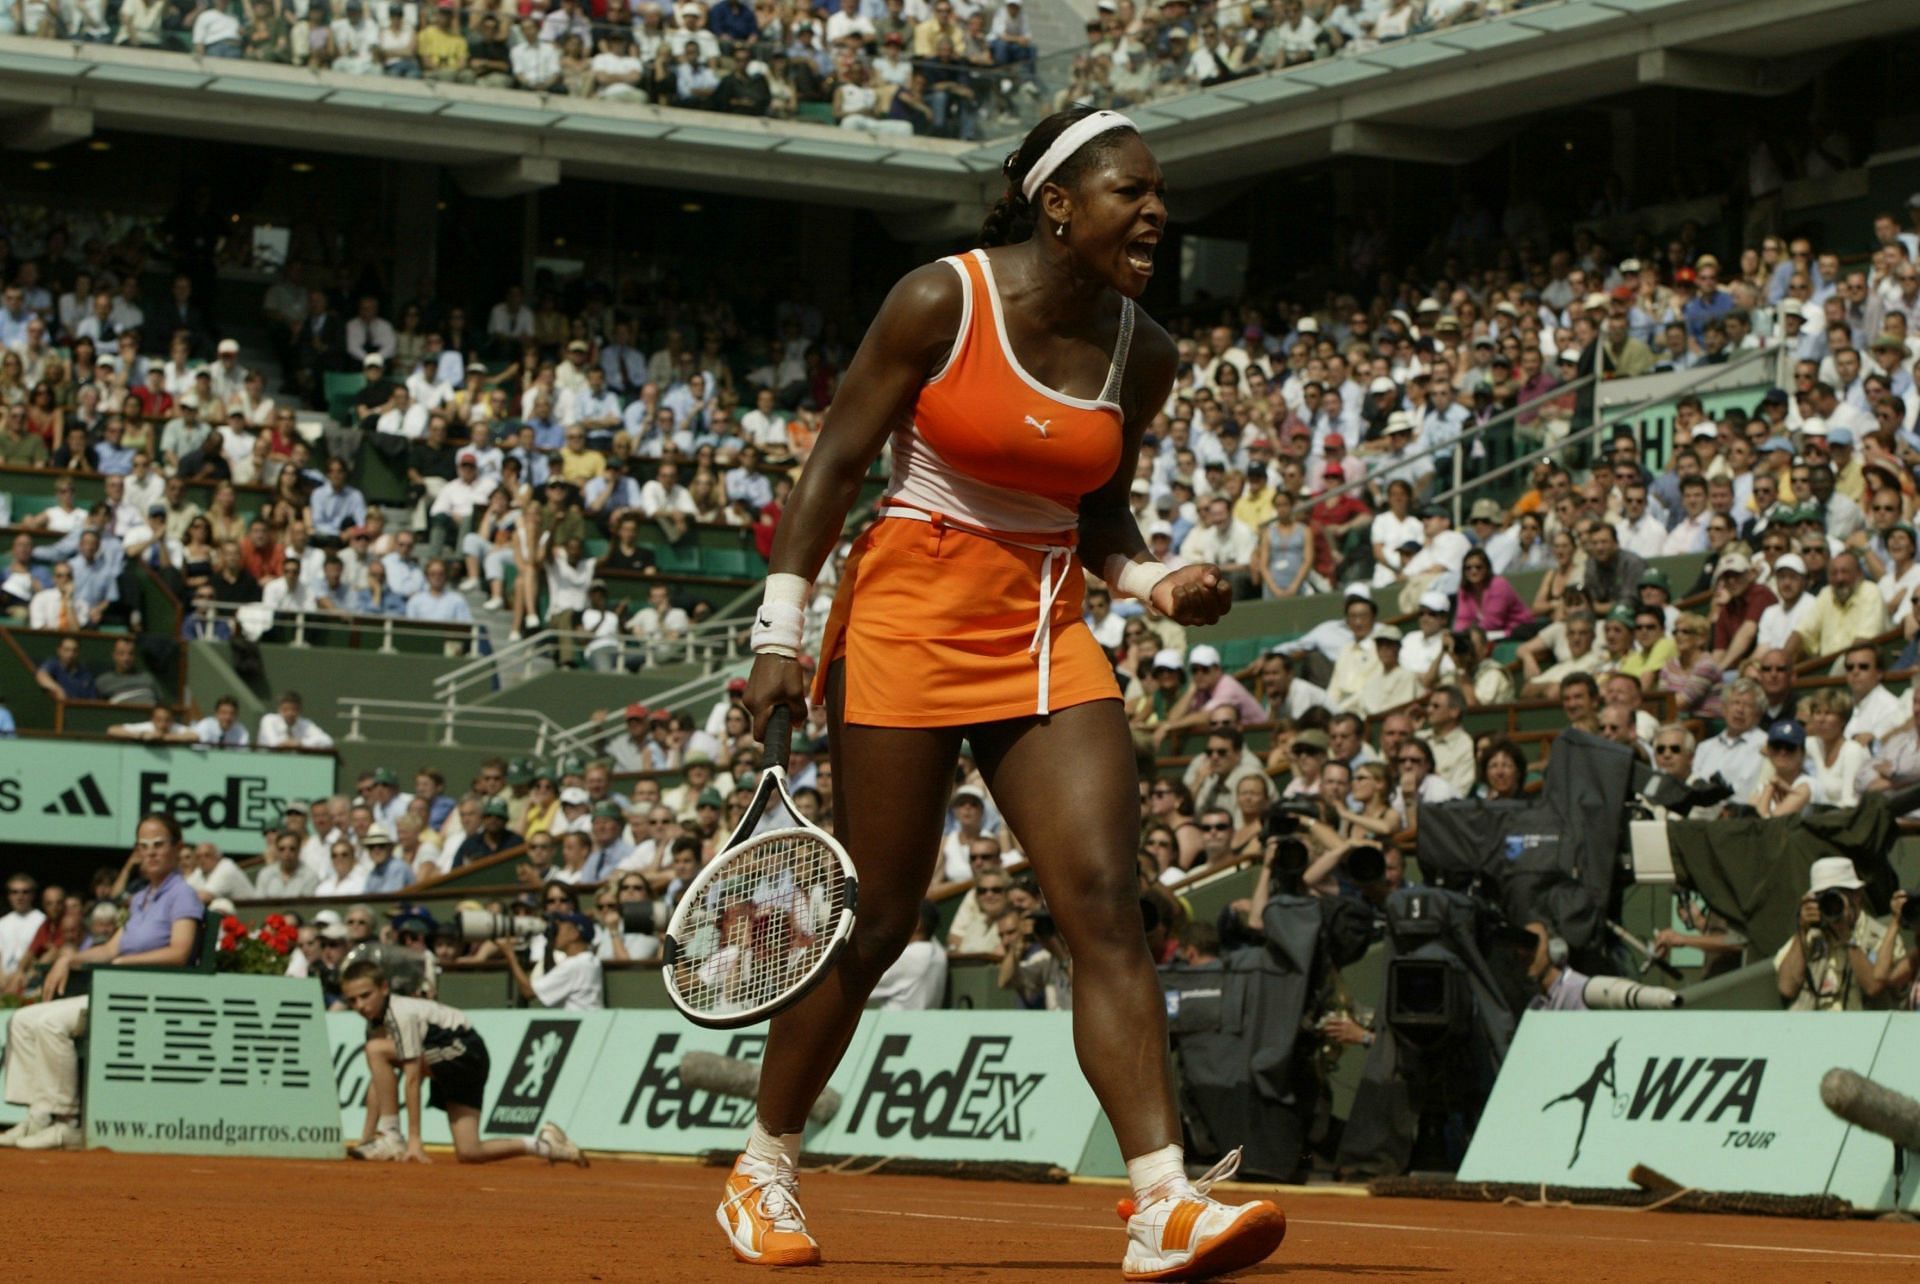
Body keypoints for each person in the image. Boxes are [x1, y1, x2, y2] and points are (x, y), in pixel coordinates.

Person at [729, 109, 1283, 1277]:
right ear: (1059, 205)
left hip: (1041, 630)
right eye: (1132, 192)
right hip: (903, 619)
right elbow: (834, 462)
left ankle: (1161, 1204)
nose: (1156, 213)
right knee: (879, 920)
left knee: (1103, 902)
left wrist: (1154, 577)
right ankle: (763, 1165)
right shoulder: (941, 300)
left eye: (1160, 195)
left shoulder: (1148, 351)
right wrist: (783, 624)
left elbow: (1098, 509)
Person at [0, 815, 202, 1152]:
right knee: (22, 1019)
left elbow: (180, 952)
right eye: (144, 846)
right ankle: (38, 1114)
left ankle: (67, 1122)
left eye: (159, 845)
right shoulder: (141, 898)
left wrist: (124, 964)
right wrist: (68, 958)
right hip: (117, 989)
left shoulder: (183, 894)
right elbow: (110, 948)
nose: (151, 853)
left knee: (50, 1023)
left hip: (146, 995)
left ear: (177, 848)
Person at [338, 958, 588, 1164]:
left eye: (365, 995)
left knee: (376, 1051)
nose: (359, 1005)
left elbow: (412, 1078)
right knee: (469, 1151)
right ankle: (545, 1145)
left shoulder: (400, 1013)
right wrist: (366, 1139)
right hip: (457, 1061)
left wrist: (413, 1140)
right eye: (352, 1000)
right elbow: (380, 1083)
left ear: (383, 987)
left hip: (464, 1051)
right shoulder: (375, 1024)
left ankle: (392, 1135)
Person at [1774, 857, 1904, 1011]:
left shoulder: (1882, 938)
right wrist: (1802, 931)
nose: (1831, 905)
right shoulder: (1809, 938)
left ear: (1857, 896)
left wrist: (1846, 936)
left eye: (1836, 897)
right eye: (1824, 898)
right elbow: (1786, 988)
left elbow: (1873, 987)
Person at [499, 911, 604, 1010]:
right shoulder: (591, 961)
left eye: (560, 928)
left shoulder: (574, 965)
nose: (555, 933)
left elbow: (529, 992)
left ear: (574, 933)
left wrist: (510, 955)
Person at [869, 900, 949, 1010]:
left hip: (894, 1023)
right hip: (922, 1021)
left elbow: (862, 987)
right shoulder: (938, 951)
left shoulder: (910, 956)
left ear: (917, 923)